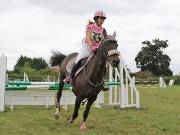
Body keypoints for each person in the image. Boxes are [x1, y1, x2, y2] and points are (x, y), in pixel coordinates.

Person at [64, 10, 107, 83]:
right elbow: (87, 37)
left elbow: (103, 41)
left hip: (97, 49)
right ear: (96, 19)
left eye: (103, 19)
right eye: (101, 18)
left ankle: (101, 81)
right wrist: (91, 46)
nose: (102, 20)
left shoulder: (103, 30)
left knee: (102, 63)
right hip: (87, 47)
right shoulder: (90, 27)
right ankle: (70, 77)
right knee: (79, 59)